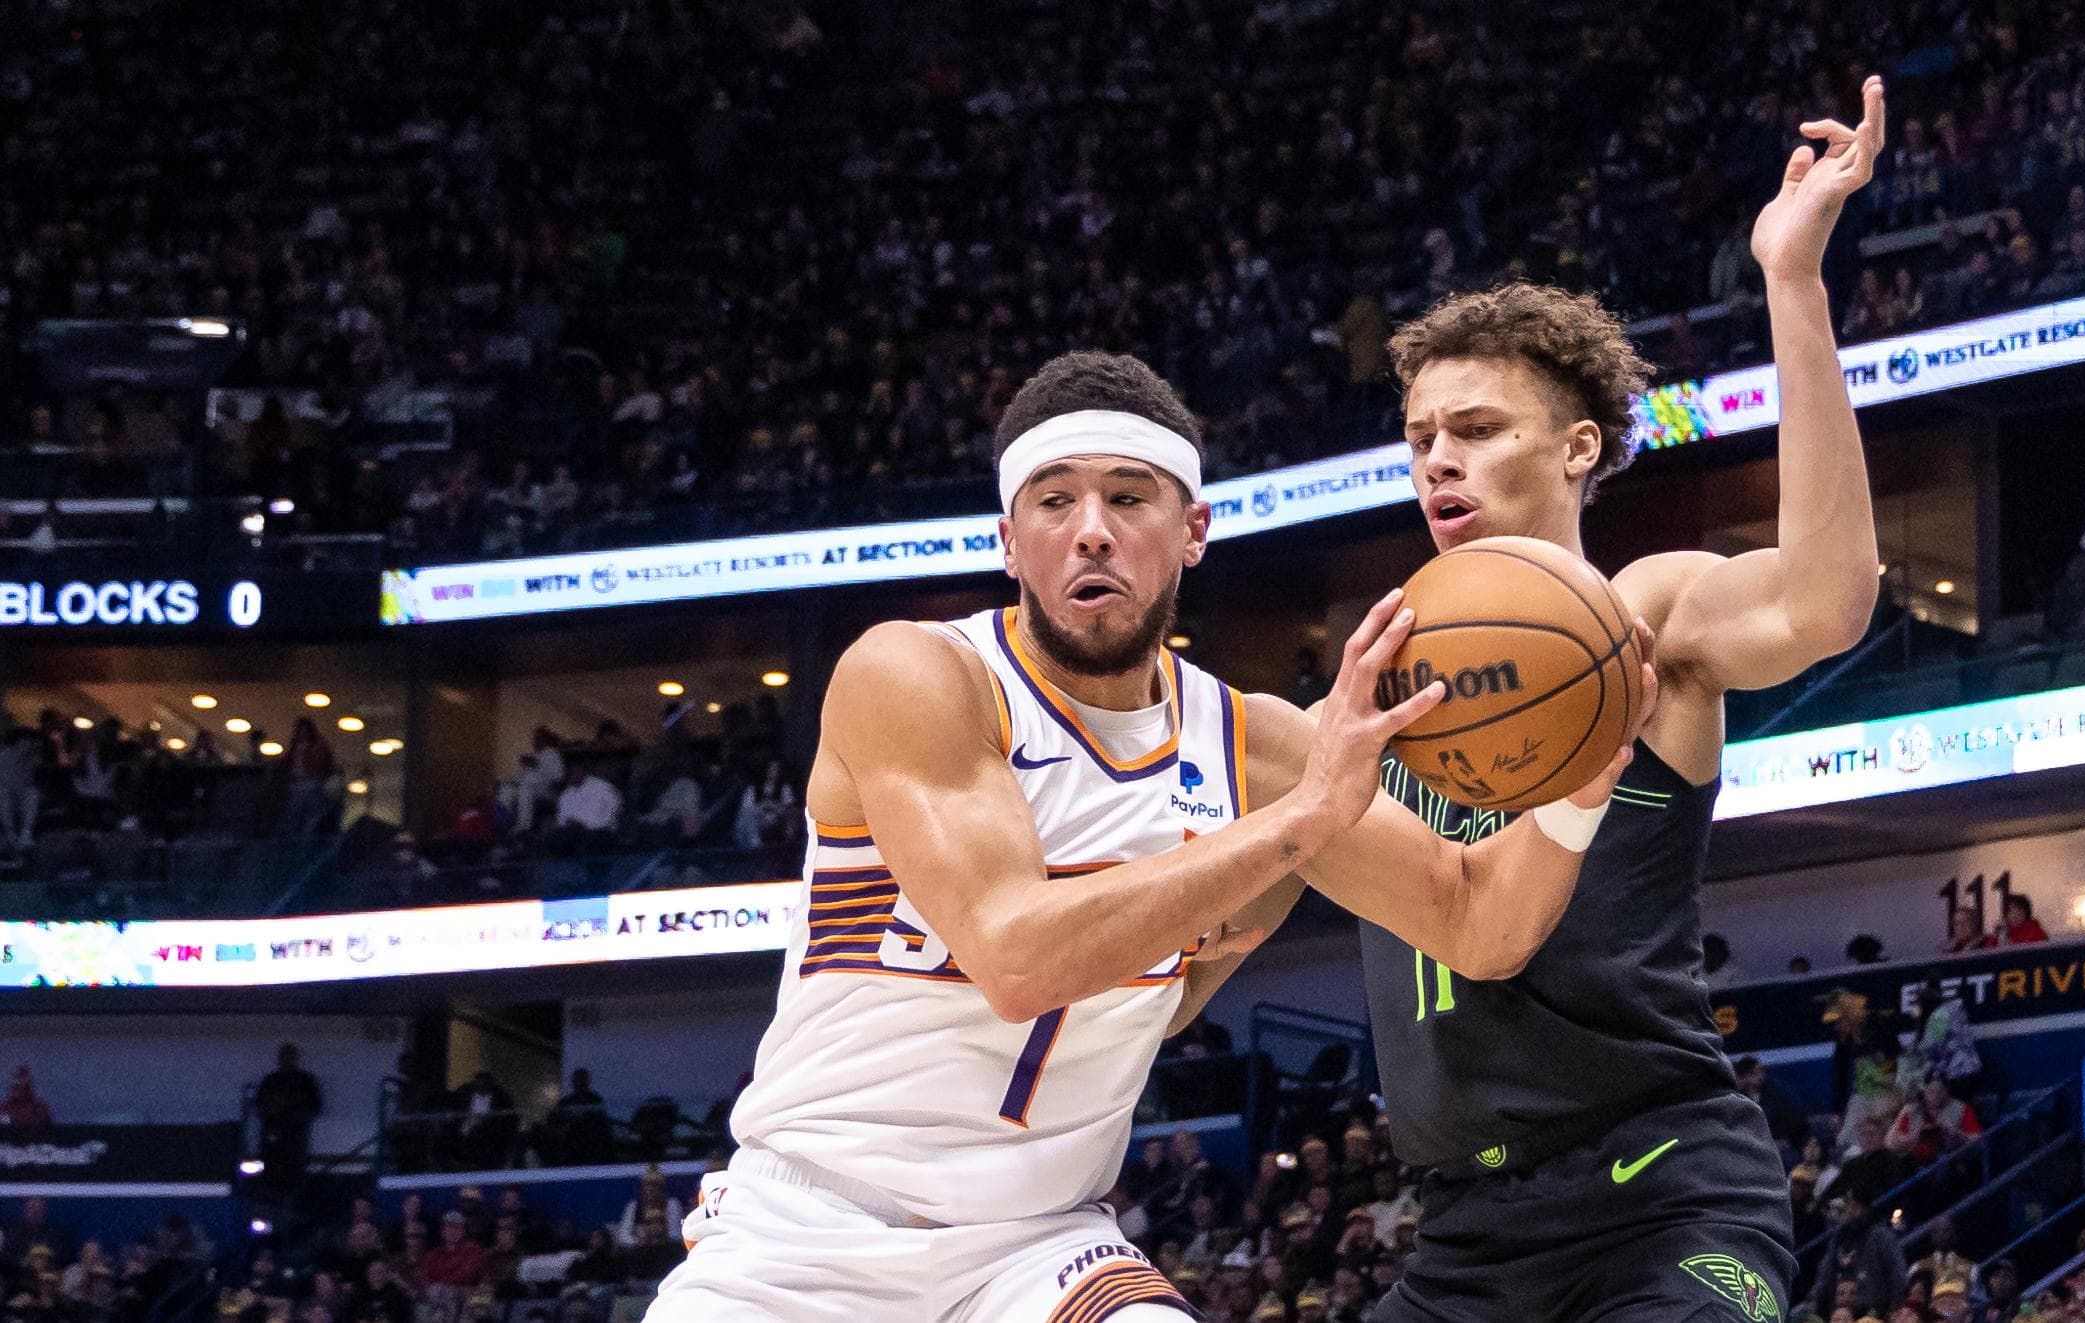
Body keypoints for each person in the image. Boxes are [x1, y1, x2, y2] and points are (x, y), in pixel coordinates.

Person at [646, 349, 1646, 1323]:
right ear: (1009, 540)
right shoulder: (915, 675)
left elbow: (1479, 924)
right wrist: (1295, 829)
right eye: (1054, 501)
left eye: (1129, 499)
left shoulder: (1259, 749)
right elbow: (1015, 956)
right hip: (807, 1236)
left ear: (1194, 530)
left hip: (1035, 1250)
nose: (1091, 532)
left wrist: (1584, 779)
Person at [1265, 76, 1888, 1323]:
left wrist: (1793, 285)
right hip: (1459, 1242)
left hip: (1661, 1194)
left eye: (1479, 426)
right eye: (1420, 433)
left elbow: (1827, 599)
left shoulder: (1643, 618)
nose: (1437, 455)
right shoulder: (1363, 698)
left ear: (1578, 446)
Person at [254, 1042, 324, 1188]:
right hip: (273, 1136)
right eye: (283, 1056)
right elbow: (259, 1105)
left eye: (290, 1056)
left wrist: (295, 1114)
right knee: (271, 1171)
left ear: (296, 1058)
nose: (286, 1059)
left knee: (294, 1172)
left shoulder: (305, 1081)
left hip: (295, 1136)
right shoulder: (271, 1080)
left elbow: (315, 1106)